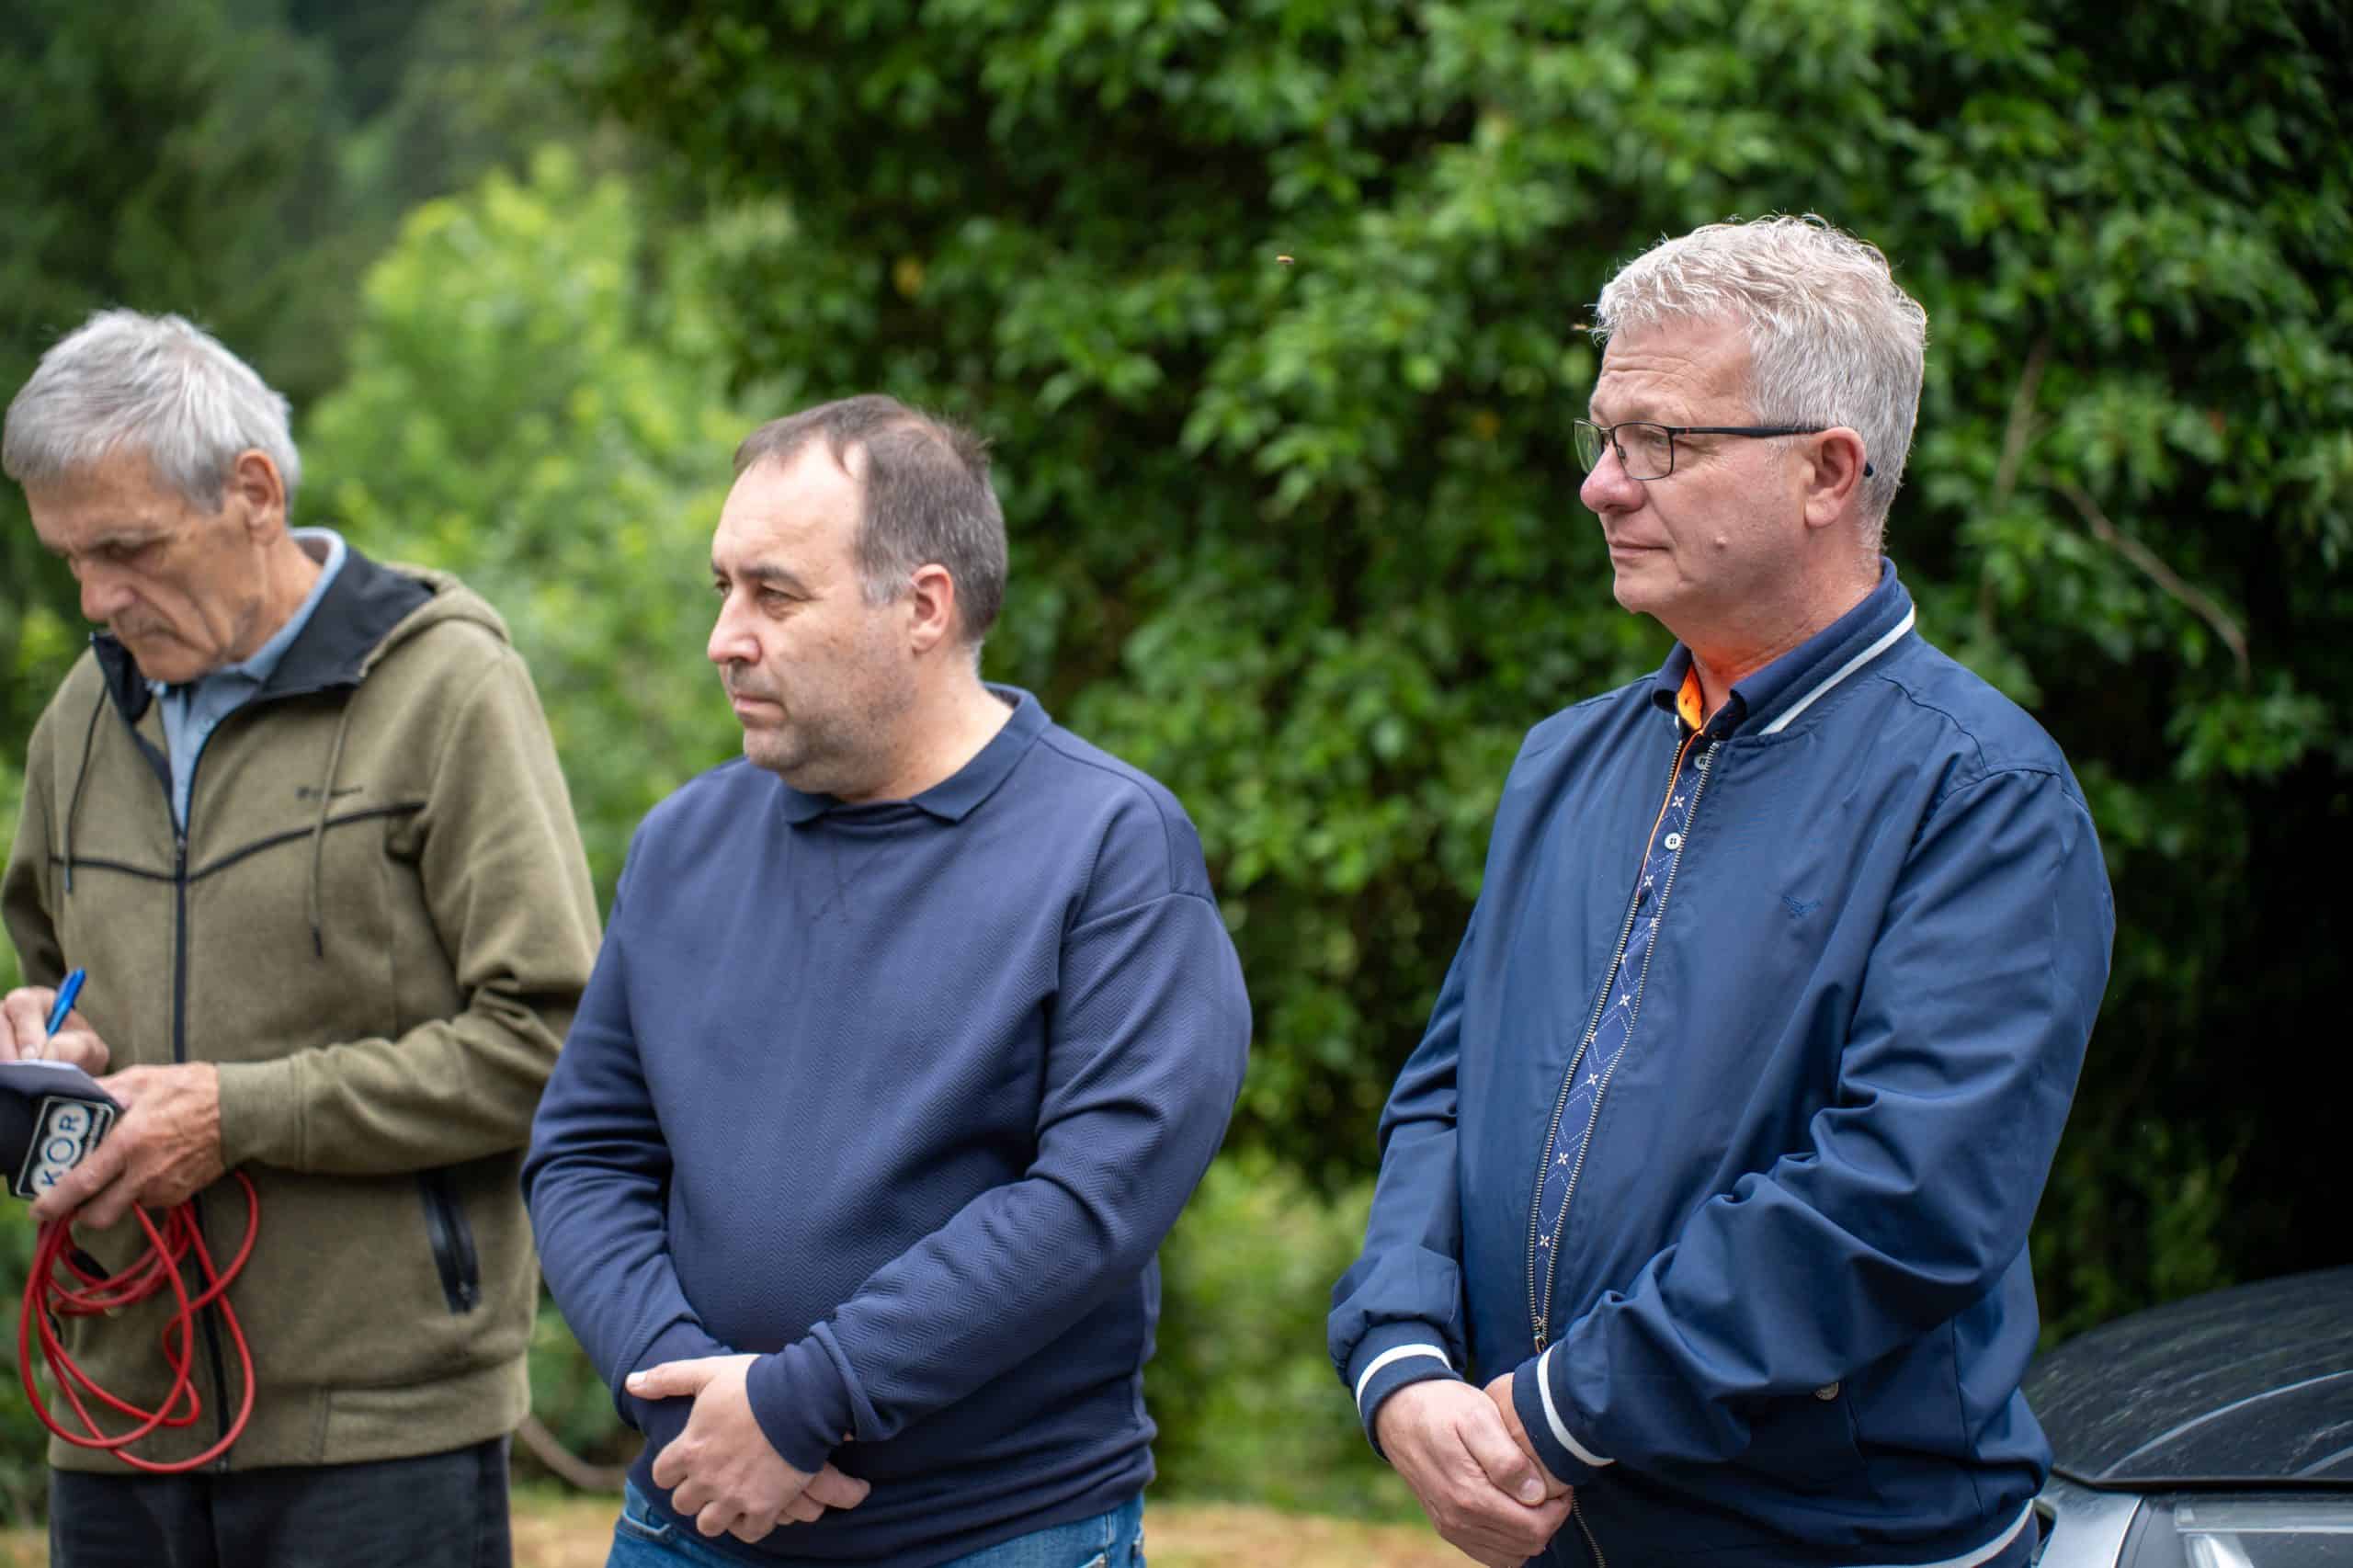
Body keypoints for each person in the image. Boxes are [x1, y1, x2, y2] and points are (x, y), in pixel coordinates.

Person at [1329, 217, 2115, 1568]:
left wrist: (1568, 1407)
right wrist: (1399, 1354)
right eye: (1603, 434)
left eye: (1661, 442)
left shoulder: (1983, 793)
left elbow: (1902, 1198)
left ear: (1826, 472)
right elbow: (1448, 1091)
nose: (1601, 485)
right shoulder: (1567, 759)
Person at [522, 395, 1250, 1568]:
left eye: (774, 594)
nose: (724, 637)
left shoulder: (1109, 845)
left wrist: (802, 1400)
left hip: (990, 1534)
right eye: (722, 588)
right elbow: (586, 1154)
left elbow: (1095, 1196)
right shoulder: (683, 841)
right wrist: (677, 1387)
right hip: (689, 1514)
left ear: (923, 606)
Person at [1, 310, 601, 1568]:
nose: (98, 599)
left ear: (255, 494)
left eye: (127, 548)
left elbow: (550, 1043)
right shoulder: (80, 718)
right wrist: (42, 1035)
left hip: (380, 1431)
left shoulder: (446, 687)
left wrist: (242, 1112)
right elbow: (50, 970)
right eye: (72, 559)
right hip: (118, 1418)